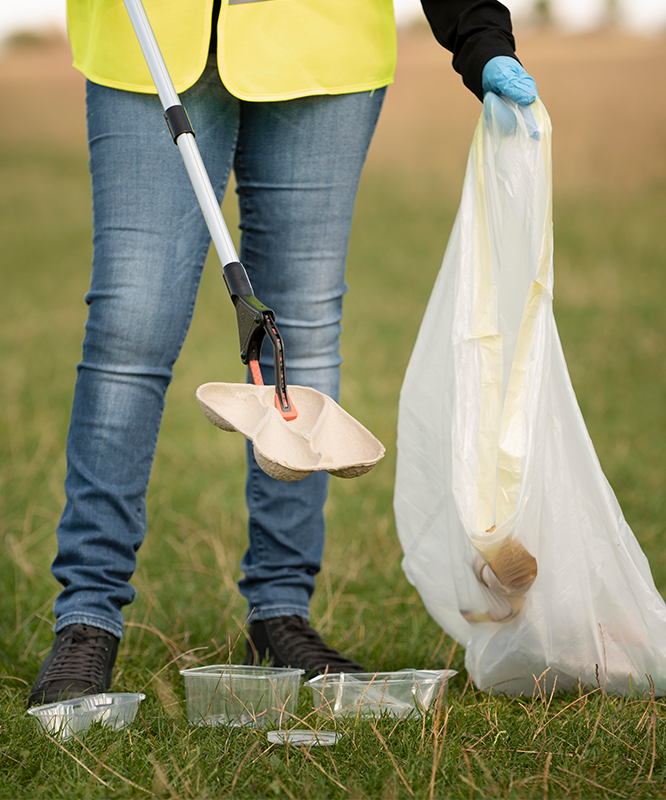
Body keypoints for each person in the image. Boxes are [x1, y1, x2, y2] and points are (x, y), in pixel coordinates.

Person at [28, 0, 538, 706]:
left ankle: (281, 612)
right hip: (147, 41)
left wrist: (479, 34)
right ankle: (86, 619)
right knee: (131, 324)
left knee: (300, 332)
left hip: (322, 48)